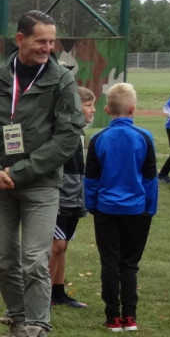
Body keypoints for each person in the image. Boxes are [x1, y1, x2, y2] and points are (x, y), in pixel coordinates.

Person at [0, 10, 85, 337]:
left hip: (40, 184)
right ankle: (17, 325)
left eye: (52, 41)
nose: (48, 48)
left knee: (34, 261)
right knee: (5, 260)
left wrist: (22, 170)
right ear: (20, 39)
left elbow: (68, 136)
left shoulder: (61, 80)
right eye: (40, 41)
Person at [85, 83, 157, 332]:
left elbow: (91, 179)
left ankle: (112, 317)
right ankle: (130, 317)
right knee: (129, 264)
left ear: (107, 109)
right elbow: (150, 179)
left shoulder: (98, 139)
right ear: (133, 109)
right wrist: (150, 208)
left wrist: (92, 205)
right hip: (137, 211)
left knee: (110, 262)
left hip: (106, 210)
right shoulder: (144, 138)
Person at [50, 86, 97, 309]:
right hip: (60, 194)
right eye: (88, 105)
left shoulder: (80, 133)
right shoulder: (62, 130)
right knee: (56, 245)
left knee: (64, 245)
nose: (93, 110)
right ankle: (43, 296)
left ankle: (58, 293)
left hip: (75, 195)